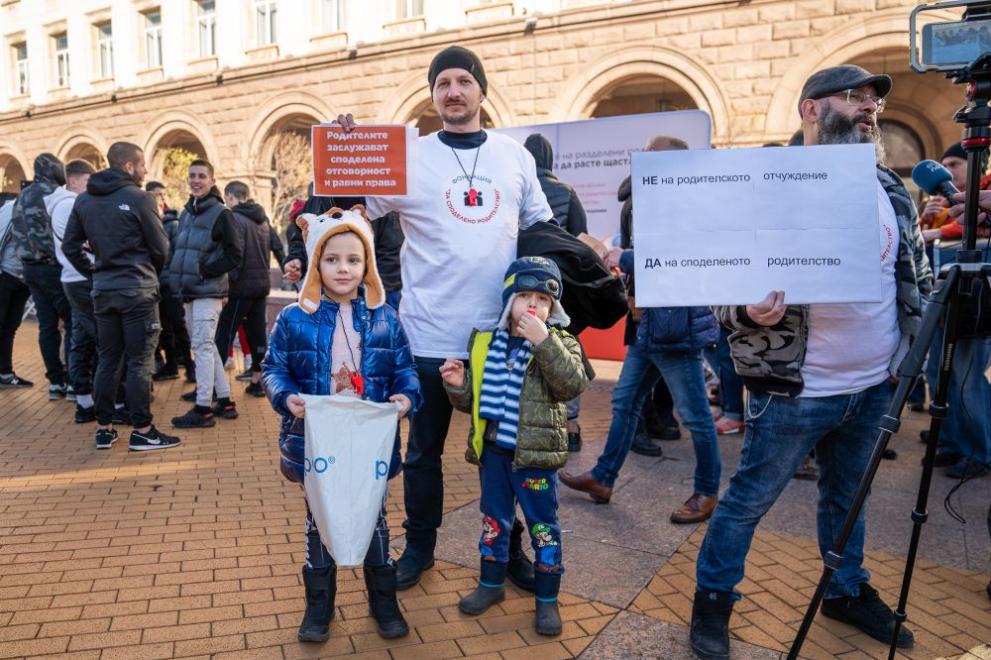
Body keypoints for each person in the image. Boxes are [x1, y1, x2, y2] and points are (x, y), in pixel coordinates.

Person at [689, 66, 931, 659]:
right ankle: (713, 602)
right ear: (811, 109)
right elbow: (715, 285)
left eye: (873, 99)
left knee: (848, 498)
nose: (869, 107)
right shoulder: (762, 184)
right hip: (795, 386)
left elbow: (910, 275)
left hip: (873, 382)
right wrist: (748, 310)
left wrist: (909, 356)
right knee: (748, 501)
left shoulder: (888, 186)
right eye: (855, 96)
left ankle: (845, 590)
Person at [332, 45, 554, 591]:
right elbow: (346, 211)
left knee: (506, 456)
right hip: (427, 336)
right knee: (424, 454)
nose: (453, 92)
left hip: (500, 339)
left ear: (481, 89)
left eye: (463, 81)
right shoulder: (407, 156)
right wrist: (341, 152)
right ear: (433, 94)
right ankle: (421, 548)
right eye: (442, 84)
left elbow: (544, 232)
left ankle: (510, 551)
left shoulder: (514, 157)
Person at [262, 206, 420, 643]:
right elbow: (273, 369)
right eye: (332, 260)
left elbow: (405, 369)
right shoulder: (295, 319)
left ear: (367, 263)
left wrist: (406, 396)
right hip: (317, 441)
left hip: (369, 442)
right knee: (320, 521)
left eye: (353, 259)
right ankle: (319, 605)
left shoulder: (386, 317)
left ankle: (383, 600)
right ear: (316, 264)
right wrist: (285, 396)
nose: (343, 269)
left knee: (375, 518)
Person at [440, 256, 591, 636]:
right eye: (525, 295)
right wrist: (458, 384)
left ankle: (546, 600)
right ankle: (490, 585)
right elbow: (472, 403)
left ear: (553, 306)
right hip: (493, 454)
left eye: (543, 298)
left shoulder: (562, 342)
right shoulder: (486, 341)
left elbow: (571, 385)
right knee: (494, 522)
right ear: (509, 300)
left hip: (535, 459)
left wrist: (544, 342)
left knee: (543, 527)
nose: (534, 305)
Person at [560, 213, 721, 525]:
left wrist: (627, 257)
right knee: (625, 401)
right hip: (649, 324)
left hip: (675, 327)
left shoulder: (685, 205)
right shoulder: (655, 202)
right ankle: (603, 478)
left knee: (695, 416)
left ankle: (707, 491)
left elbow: (684, 255)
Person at [62, 142, 180, 452]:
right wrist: (147, 274)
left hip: (104, 291)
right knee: (140, 361)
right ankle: (142, 430)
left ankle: (104, 428)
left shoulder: (84, 200)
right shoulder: (139, 198)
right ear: (129, 167)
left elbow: (69, 246)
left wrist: (94, 272)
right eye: (142, 165)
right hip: (137, 291)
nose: (145, 171)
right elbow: (161, 248)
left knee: (108, 358)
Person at [523, 133, 589, 451]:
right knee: (562, 347)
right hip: (556, 286)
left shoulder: (518, 188)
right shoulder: (565, 191)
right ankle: (570, 423)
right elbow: (580, 237)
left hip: (521, 283)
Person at [169, 160, 243, 428]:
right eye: (192, 176)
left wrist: (205, 270)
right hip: (189, 291)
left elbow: (234, 255)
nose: (196, 180)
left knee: (200, 347)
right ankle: (224, 401)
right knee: (207, 346)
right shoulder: (187, 213)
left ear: (212, 180)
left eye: (202, 176)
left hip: (208, 292)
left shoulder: (221, 213)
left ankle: (202, 408)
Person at [9, 153, 73, 399]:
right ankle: (71, 381)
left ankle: (55, 381)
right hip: (54, 268)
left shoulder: (23, 195)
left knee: (47, 326)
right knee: (71, 323)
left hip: (30, 269)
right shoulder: (52, 195)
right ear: (52, 169)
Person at [47, 159, 98, 423]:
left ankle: (84, 401)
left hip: (73, 277)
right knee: (96, 338)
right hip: (81, 277)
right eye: (88, 182)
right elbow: (82, 243)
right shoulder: (69, 205)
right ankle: (94, 401)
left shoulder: (65, 204)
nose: (91, 188)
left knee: (81, 337)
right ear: (74, 180)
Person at [215, 181, 272, 398]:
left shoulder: (234, 218)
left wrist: (227, 287)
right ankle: (258, 380)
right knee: (258, 334)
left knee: (224, 334)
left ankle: (214, 387)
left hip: (241, 288)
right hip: (260, 285)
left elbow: (235, 255)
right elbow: (274, 246)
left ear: (230, 197)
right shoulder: (263, 219)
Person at [146, 181, 193, 383]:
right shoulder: (148, 222)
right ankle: (171, 365)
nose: (161, 199)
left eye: (163, 195)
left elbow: (178, 254)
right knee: (163, 327)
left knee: (178, 325)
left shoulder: (172, 224)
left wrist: (176, 279)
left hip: (170, 283)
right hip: (154, 283)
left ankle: (190, 367)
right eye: (157, 195)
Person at [0, 192, 32, 388]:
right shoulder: (13, 208)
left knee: (10, 326)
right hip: (5, 275)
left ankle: (5, 372)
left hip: (23, 279)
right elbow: (2, 237)